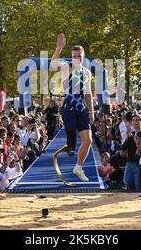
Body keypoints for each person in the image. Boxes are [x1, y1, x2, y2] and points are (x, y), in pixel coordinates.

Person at [51, 32, 94, 182]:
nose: (77, 58)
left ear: (83, 56)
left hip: (81, 108)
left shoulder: (87, 73)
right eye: (74, 56)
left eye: (79, 56)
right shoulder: (66, 68)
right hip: (68, 107)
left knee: (88, 140)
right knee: (71, 145)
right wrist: (59, 48)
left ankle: (78, 168)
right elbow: (53, 64)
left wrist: (91, 111)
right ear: (71, 56)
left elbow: (88, 93)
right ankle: (69, 147)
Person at [121, 114, 141, 190]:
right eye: (133, 120)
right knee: (127, 185)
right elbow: (123, 147)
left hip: (139, 165)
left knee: (138, 187)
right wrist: (128, 135)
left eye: (137, 120)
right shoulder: (131, 134)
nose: (135, 122)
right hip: (129, 163)